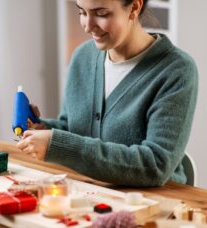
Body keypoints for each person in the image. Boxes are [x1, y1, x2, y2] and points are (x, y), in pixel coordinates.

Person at [16, 0, 198, 187]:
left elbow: (155, 165)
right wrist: (42, 128)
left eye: (101, 14)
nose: (87, 26)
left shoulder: (176, 70)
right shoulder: (82, 56)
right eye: (82, 12)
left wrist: (58, 145)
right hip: (90, 194)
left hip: (157, 203)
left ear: (134, 7)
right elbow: (72, 128)